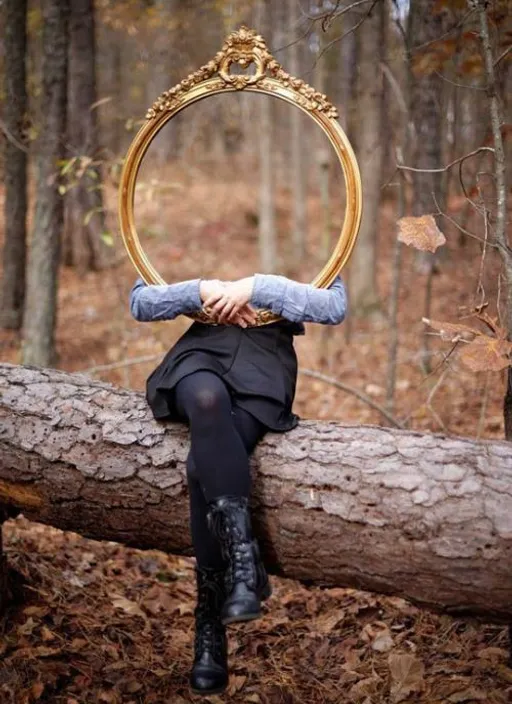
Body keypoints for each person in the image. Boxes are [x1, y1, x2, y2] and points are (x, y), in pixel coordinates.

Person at [130, 272, 347, 696]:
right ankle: (244, 570)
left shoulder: (320, 241)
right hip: (202, 355)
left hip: (264, 367)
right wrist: (201, 291)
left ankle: (210, 620)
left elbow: (334, 306)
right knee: (207, 402)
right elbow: (141, 301)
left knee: (201, 469)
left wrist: (255, 288)